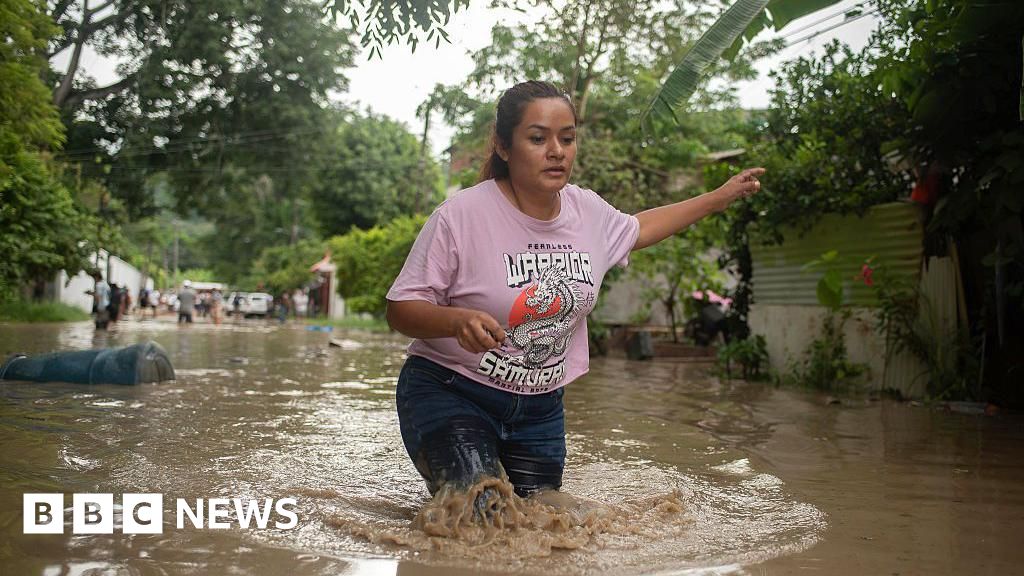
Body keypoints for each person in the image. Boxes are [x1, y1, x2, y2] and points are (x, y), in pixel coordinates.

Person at [386, 81, 762, 502]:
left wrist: (719, 197)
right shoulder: (460, 216)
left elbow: (642, 228)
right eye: (538, 138)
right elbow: (401, 308)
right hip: (451, 391)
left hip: (539, 407)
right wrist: (454, 320)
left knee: (548, 518)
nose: (557, 151)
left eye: (567, 138)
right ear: (504, 147)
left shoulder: (588, 212)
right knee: (480, 510)